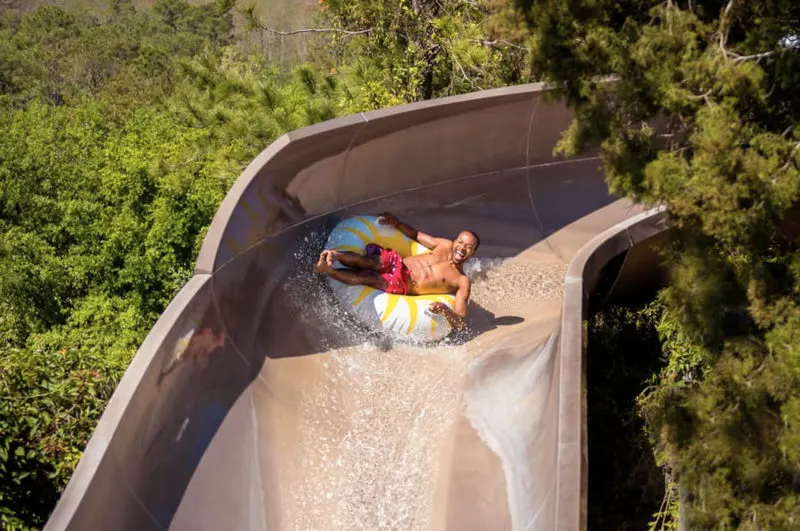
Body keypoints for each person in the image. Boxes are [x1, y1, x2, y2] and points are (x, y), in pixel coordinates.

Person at [314, 212, 479, 330]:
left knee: (368, 277)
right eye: (460, 242)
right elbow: (416, 235)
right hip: (397, 262)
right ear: (455, 240)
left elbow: (461, 323)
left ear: (473, 252)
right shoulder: (443, 244)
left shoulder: (461, 281)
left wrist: (445, 310)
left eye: (468, 247)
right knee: (370, 262)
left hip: (402, 283)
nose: (462, 248)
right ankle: (335, 255)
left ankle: (328, 270)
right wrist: (397, 223)